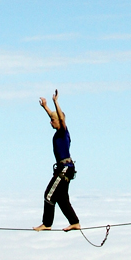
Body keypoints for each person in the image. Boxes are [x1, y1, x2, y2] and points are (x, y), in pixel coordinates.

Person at [34, 89, 81, 232]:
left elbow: (60, 119)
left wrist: (55, 102)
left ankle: (47, 223)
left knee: (49, 195)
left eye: (52, 120)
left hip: (65, 168)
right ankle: (74, 222)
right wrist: (45, 107)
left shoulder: (63, 132)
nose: (50, 122)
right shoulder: (58, 133)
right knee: (61, 199)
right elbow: (54, 117)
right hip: (64, 168)